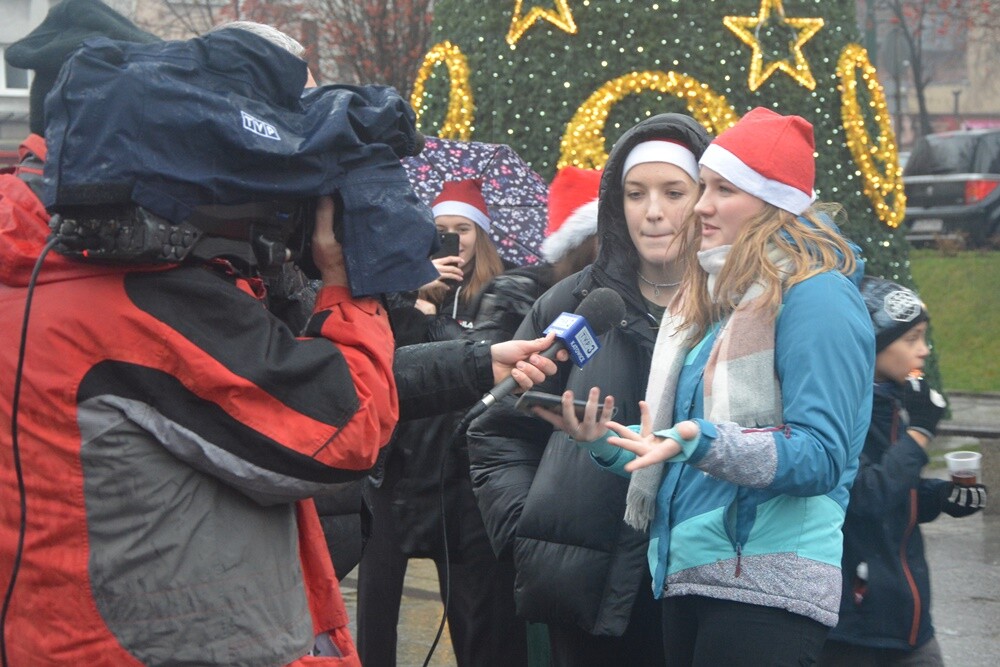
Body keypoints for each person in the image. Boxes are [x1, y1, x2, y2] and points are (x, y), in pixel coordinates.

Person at [0, 15, 563, 666]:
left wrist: (473, 362)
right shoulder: (139, 303)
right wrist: (347, 281)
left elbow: (286, 374)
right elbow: (341, 422)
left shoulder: (64, 273)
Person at [547, 107, 876, 666]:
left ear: (772, 203)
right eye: (703, 187)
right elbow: (691, 454)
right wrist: (604, 439)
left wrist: (701, 440)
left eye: (724, 189)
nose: (702, 205)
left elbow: (822, 455)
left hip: (767, 588)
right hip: (690, 577)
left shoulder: (818, 296)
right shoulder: (719, 304)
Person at [467, 113, 711, 666]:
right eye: (635, 193)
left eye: (673, 192)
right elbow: (498, 431)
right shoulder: (572, 304)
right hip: (585, 587)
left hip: (704, 582)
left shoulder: (737, 305)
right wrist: (528, 528)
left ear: (705, 197)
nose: (652, 211)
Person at [356, 178, 526, 667]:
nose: (454, 240)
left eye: (463, 229)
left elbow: (480, 361)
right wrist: (413, 299)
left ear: (482, 236)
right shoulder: (403, 289)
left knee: (471, 620)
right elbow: (384, 363)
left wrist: (434, 320)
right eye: (442, 230)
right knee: (374, 617)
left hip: (459, 481)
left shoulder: (502, 291)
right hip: (397, 475)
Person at [817, 277, 987, 667]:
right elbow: (864, 497)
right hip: (855, 628)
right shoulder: (844, 412)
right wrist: (919, 434)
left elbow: (894, 490)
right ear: (872, 344)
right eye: (912, 339)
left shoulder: (895, 404)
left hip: (910, 624)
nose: (924, 350)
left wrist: (939, 497)